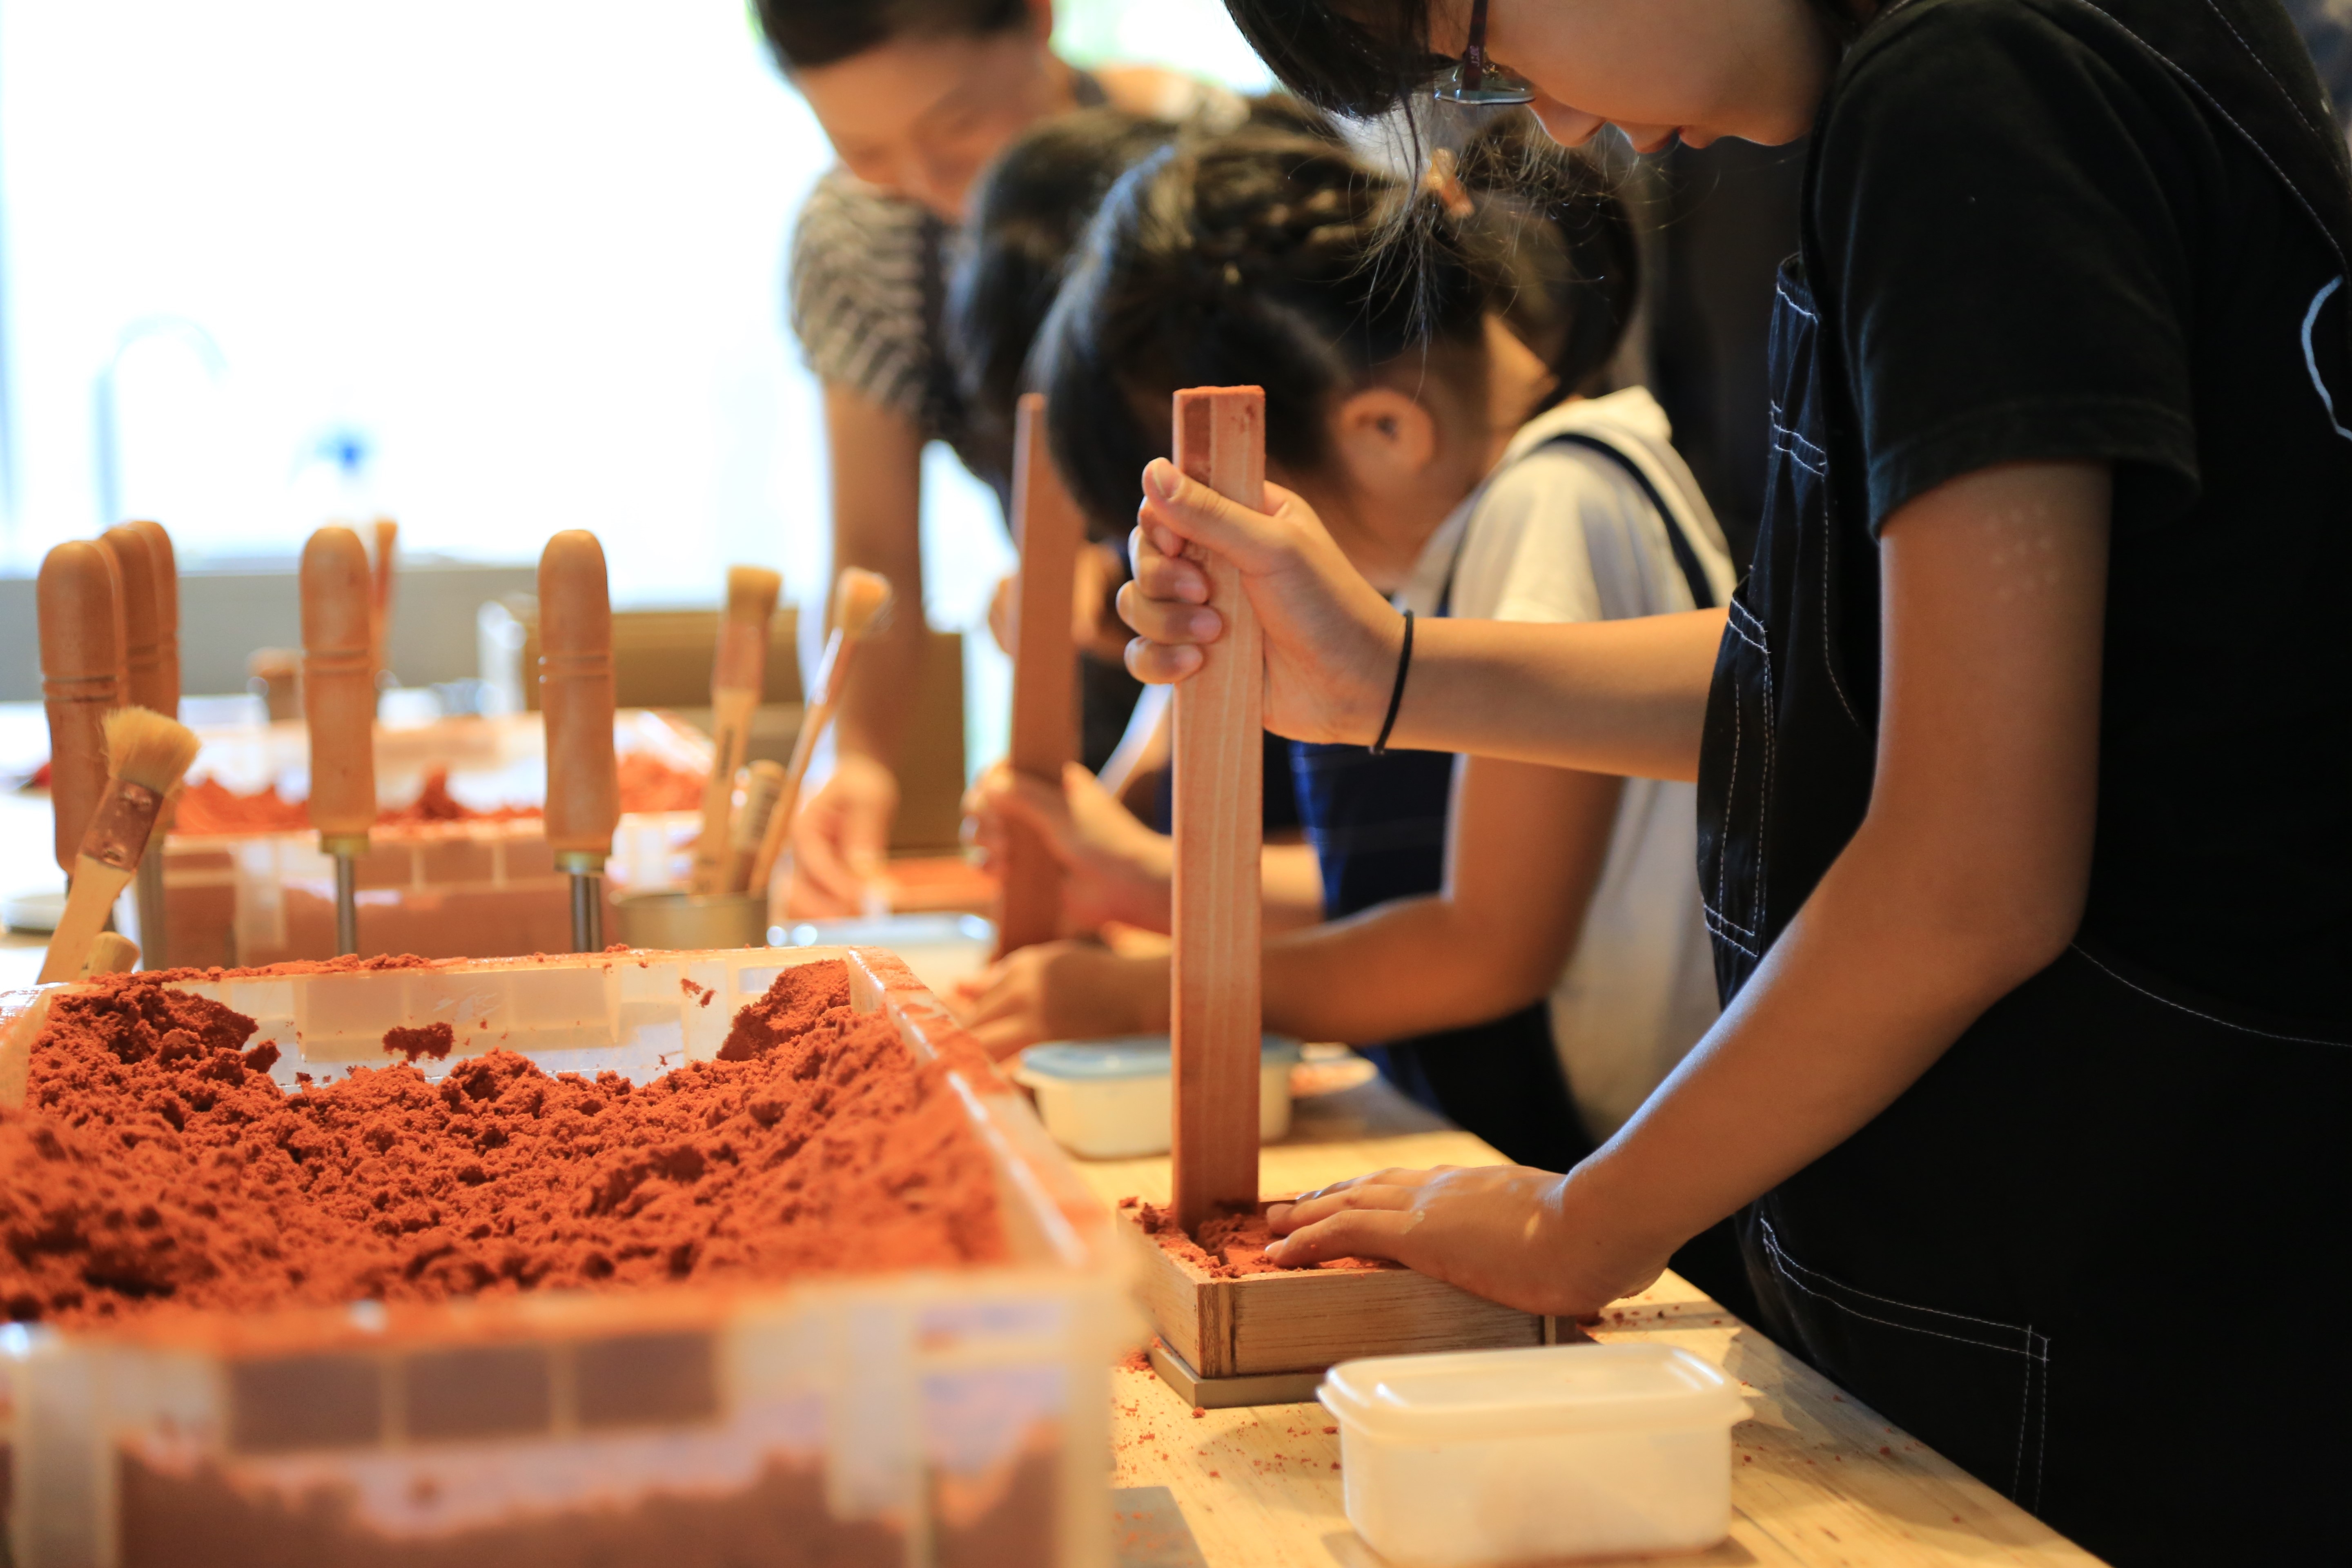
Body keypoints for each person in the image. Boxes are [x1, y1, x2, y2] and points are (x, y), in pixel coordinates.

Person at [1113, 0, 2352, 1561]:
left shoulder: (1970, 91)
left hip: (2124, 1316)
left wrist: (1588, 1224)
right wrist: (1388, 675)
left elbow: (1972, 872)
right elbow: (1890, 682)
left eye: (1491, 51)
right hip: (2121, 1275)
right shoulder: (2000, 68)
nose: (1555, 126)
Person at [956, 122, 1734, 1186]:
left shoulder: (1552, 505)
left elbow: (1483, 944)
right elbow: (1419, 891)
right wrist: (1137, 879)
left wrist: (1152, 994)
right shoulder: (1491, 513)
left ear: (1382, 431)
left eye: (1267, 520)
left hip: (1654, 1191)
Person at [753, 0, 1241, 912]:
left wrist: (1121, 569)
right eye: (865, 150)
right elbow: (875, 549)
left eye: (960, 127)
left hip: (1264, 673)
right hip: (1099, 696)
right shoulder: (861, 237)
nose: (928, 183)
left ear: (1038, 19)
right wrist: (857, 759)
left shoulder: (1208, 163)